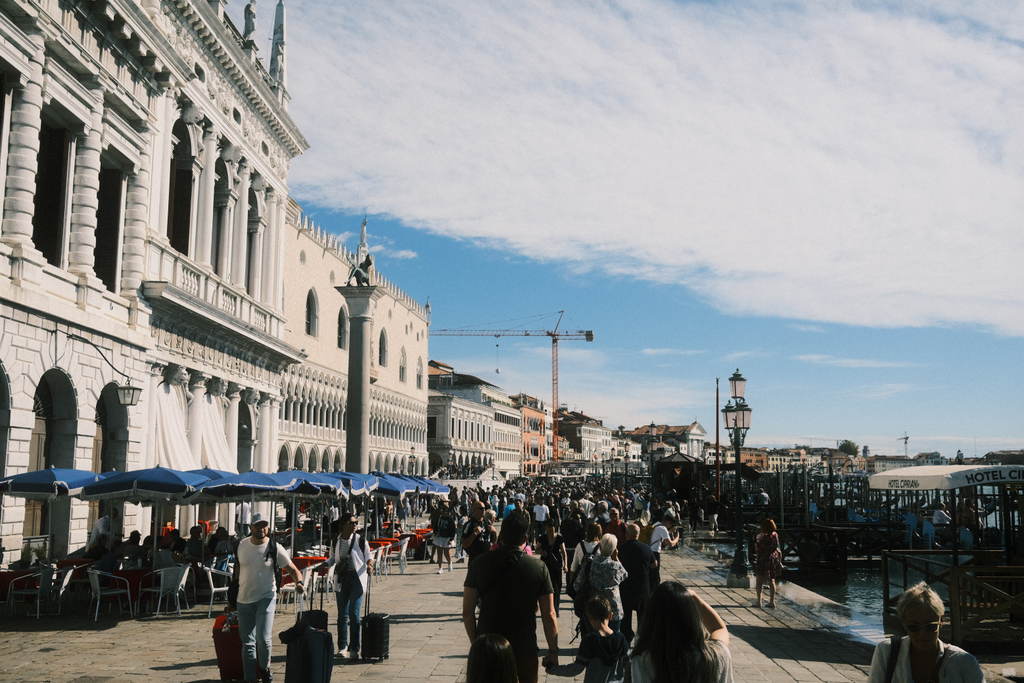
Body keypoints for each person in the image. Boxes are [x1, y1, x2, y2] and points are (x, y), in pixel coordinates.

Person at [463, 510, 559, 683]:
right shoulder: (538, 567)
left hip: (488, 646)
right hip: (524, 647)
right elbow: (549, 614)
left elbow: (467, 612)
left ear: (501, 536)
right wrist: (553, 652)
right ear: (525, 539)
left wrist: (475, 643)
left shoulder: (479, 563)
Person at [230, 512, 304, 683]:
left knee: (263, 639)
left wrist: (299, 582)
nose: (261, 528)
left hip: (266, 597)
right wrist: (231, 600)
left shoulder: (274, 547)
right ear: (250, 527)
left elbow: (293, 569)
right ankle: (250, 678)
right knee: (247, 644)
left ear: (268, 527)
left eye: (264, 525)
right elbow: (237, 573)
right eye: (257, 525)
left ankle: (264, 669)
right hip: (243, 599)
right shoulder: (240, 545)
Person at [867, 582, 984, 683]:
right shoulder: (885, 652)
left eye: (930, 627)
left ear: (941, 620)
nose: (922, 634)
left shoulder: (965, 662)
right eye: (913, 627)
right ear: (903, 622)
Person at [630, 581, 733, 683]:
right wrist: (693, 597)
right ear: (692, 619)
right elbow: (719, 628)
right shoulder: (715, 657)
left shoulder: (640, 663)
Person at [547, 595, 629, 683]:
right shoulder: (621, 638)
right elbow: (629, 664)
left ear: (589, 616)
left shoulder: (589, 640)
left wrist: (553, 669)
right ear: (610, 615)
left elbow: (576, 669)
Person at [325, 512, 373, 661]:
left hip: (356, 578)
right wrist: (324, 565)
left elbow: (368, 555)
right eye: (351, 523)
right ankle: (342, 646)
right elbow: (333, 558)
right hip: (341, 579)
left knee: (354, 614)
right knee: (342, 615)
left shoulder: (360, 540)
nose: (355, 525)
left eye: (356, 522)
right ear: (343, 525)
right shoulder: (335, 541)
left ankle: (355, 647)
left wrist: (369, 565)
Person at [574, 534, 628, 633]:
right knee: (613, 639)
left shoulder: (589, 564)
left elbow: (577, 585)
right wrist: (615, 557)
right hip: (613, 610)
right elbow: (625, 575)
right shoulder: (616, 567)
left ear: (600, 546)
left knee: (592, 641)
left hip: (593, 609)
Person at [618, 523, 657, 642]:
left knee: (626, 616)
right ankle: (642, 639)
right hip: (642, 586)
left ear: (627, 534)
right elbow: (654, 564)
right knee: (643, 615)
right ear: (638, 535)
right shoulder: (646, 548)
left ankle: (627, 638)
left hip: (626, 586)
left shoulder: (621, 548)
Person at [537, 518, 567, 617]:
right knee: (546, 587)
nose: (549, 529)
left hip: (556, 564)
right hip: (545, 564)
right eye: (547, 527)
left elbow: (563, 552)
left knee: (556, 587)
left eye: (551, 527)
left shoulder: (559, 538)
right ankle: (547, 608)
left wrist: (565, 565)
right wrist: (542, 552)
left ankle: (556, 609)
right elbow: (537, 549)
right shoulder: (542, 538)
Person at [755, 518, 782, 609]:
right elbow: (775, 548)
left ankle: (759, 601)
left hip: (763, 560)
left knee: (759, 582)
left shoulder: (762, 539)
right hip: (772, 559)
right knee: (772, 581)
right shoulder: (775, 537)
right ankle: (772, 601)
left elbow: (758, 549)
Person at [647, 513, 679, 588]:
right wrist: (677, 538)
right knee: (655, 577)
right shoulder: (663, 528)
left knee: (651, 575)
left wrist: (669, 531)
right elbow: (670, 544)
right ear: (668, 522)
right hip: (655, 553)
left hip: (649, 551)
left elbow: (659, 536)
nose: (670, 527)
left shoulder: (657, 524)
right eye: (671, 525)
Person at [462, 500, 494, 565]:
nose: (483, 510)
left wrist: (494, 532)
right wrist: (474, 534)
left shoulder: (487, 522)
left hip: (487, 558)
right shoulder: (470, 524)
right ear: (474, 510)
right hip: (475, 559)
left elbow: (493, 541)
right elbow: (464, 544)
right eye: (481, 509)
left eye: (484, 508)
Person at [434, 500, 457, 573]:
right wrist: (435, 532)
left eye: (447, 511)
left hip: (447, 537)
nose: (445, 513)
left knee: (447, 553)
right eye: (444, 511)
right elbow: (435, 526)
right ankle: (440, 568)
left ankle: (449, 563)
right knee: (439, 553)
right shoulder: (440, 518)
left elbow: (453, 530)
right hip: (440, 536)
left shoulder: (450, 519)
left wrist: (451, 539)